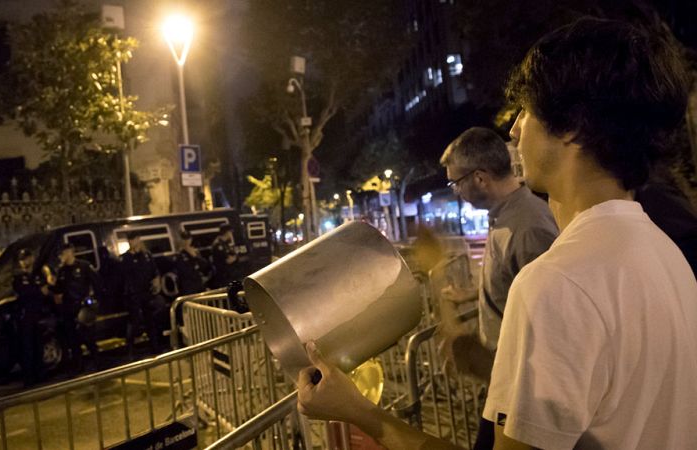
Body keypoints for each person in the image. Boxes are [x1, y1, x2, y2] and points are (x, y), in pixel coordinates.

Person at [297, 18, 697, 449]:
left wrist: (359, 411)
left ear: (572, 127)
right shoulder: (666, 255)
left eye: (526, 110)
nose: (514, 129)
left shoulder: (555, 283)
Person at [437, 127, 558, 378]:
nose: (456, 192)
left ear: (480, 178)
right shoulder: (506, 217)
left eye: (456, 183)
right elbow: (515, 284)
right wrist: (472, 294)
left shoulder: (527, 228)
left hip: (523, 381)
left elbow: (548, 326)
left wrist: (477, 359)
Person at [52, 243, 102, 373]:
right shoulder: (62, 271)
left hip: (82, 306)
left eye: (63, 252)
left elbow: (97, 283)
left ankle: (97, 362)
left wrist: (94, 300)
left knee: (86, 335)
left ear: (70, 252)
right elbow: (58, 289)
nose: (61, 256)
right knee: (73, 338)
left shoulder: (84, 266)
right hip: (68, 308)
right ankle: (78, 366)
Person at [120, 233, 165, 357]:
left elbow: (154, 270)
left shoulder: (146, 255)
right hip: (133, 295)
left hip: (147, 293)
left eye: (136, 239)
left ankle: (155, 347)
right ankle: (130, 351)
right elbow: (125, 276)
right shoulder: (125, 258)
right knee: (133, 323)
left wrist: (156, 280)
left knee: (150, 321)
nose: (134, 242)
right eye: (131, 240)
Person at [13, 248, 49, 387]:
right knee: (27, 348)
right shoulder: (18, 278)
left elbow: (44, 291)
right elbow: (23, 293)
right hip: (25, 316)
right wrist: (37, 291)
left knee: (38, 346)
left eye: (26, 258)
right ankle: (29, 378)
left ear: (32, 258)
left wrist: (37, 291)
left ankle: (40, 374)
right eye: (22, 260)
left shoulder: (38, 275)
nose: (24, 262)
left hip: (38, 315)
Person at [174, 230, 212, 297]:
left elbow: (205, 266)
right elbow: (182, 272)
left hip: (199, 285)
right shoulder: (179, 255)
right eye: (184, 239)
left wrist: (195, 257)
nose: (186, 241)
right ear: (181, 240)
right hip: (188, 287)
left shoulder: (195, 252)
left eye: (188, 239)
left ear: (191, 239)